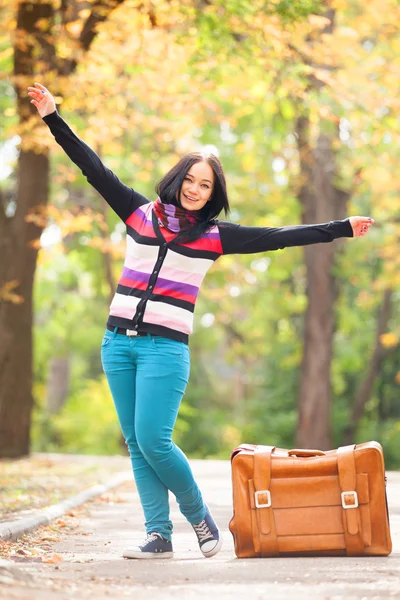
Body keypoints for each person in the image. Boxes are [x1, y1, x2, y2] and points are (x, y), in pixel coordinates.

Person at [28, 81, 374, 560]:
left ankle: (198, 516)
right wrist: (52, 117)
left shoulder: (215, 237)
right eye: (190, 179)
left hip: (164, 350)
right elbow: (92, 167)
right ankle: (158, 535)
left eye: (205, 184)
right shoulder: (138, 214)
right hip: (117, 343)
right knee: (135, 443)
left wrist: (340, 227)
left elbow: (279, 236)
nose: (195, 189)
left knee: (154, 438)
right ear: (177, 180)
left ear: (213, 193)